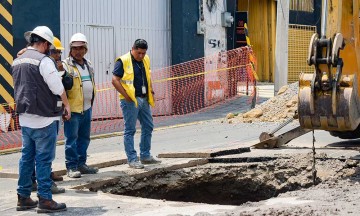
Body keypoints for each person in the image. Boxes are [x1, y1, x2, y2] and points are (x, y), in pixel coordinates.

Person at [12, 26, 70, 213]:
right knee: (44, 160)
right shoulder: (44, 61)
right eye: (49, 46)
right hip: (44, 117)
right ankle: (45, 199)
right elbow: (57, 87)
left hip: (25, 117)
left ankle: (23, 197)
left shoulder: (18, 60)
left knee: (26, 158)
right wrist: (67, 105)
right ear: (44, 43)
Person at [111, 39, 161, 169]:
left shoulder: (146, 59)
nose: (141, 56)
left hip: (144, 99)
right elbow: (115, 80)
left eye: (143, 53)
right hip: (130, 100)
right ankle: (132, 159)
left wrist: (151, 89)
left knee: (148, 126)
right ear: (132, 49)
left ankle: (145, 155)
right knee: (130, 130)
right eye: (138, 53)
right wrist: (126, 95)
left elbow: (148, 77)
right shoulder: (123, 61)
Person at [62, 33, 98, 178]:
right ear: (70, 50)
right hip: (74, 109)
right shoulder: (66, 65)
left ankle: (81, 164)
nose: (78, 51)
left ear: (85, 49)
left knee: (84, 138)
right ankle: (71, 166)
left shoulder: (88, 64)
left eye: (81, 48)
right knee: (71, 139)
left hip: (87, 108)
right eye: (75, 48)